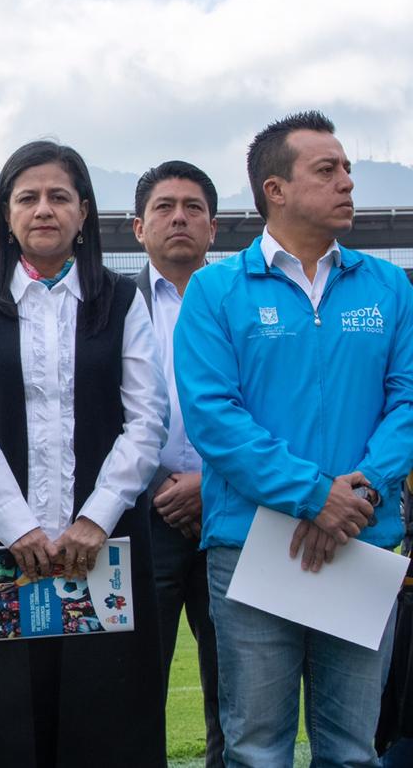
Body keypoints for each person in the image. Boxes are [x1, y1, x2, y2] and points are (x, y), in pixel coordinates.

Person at [176, 111, 413, 767]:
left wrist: (353, 494)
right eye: (328, 169)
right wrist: (314, 494)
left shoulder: (389, 286)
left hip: (361, 539)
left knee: (351, 749)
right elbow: (213, 416)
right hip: (252, 541)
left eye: (348, 169)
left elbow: (409, 401)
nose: (348, 182)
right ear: (274, 189)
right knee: (256, 748)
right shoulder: (216, 290)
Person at [0, 140, 169, 767]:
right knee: (0, 725)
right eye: (27, 197)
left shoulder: (120, 302)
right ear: (6, 214)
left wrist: (95, 517)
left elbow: (146, 420)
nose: (44, 209)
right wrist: (19, 526)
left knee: (103, 721)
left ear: (84, 212)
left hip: (102, 551)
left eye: (59, 196)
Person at [132, 160, 225, 767]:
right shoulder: (113, 305)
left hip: (232, 512)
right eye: (165, 207)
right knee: (136, 689)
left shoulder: (241, 301)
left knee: (240, 690)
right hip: (144, 514)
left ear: (213, 228)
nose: (179, 218)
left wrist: (208, 482)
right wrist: (161, 482)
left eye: (193, 207)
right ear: (139, 227)